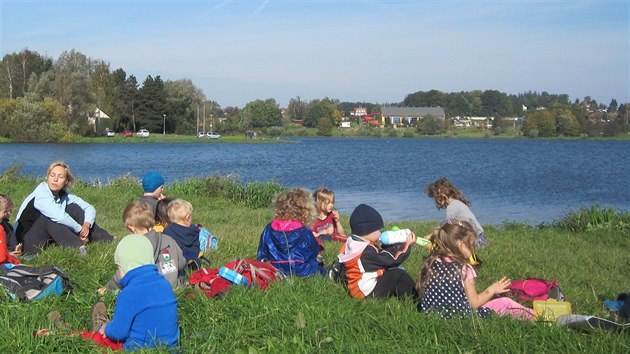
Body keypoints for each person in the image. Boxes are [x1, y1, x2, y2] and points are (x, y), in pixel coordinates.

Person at [416, 219, 534, 320]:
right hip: (460, 318)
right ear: (461, 244)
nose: (474, 248)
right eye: (472, 244)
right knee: (505, 303)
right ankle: (539, 317)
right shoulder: (464, 268)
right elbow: (474, 304)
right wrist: (492, 289)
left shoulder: (430, 262)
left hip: (430, 315)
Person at [81, 234, 179, 350]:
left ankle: (65, 333)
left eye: (118, 268)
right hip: (171, 348)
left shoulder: (128, 294)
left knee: (94, 338)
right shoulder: (165, 285)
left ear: (124, 267)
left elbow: (119, 333)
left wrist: (107, 329)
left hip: (138, 349)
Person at [14, 162, 113, 256]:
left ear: (66, 181)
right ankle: (78, 248)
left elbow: (89, 207)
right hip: (25, 242)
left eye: (60, 177)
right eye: (52, 175)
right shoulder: (41, 194)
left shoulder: (64, 195)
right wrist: (80, 230)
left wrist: (87, 224)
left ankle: (106, 239)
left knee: (73, 208)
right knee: (49, 218)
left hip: (46, 238)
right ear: (47, 177)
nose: (55, 179)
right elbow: (59, 217)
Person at [98, 201, 185, 294]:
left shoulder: (136, 247)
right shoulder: (169, 239)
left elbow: (122, 274)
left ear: (131, 228)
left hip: (151, 293)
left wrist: (108, 288)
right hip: (175, 289)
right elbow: (182, 263)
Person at [337, 204, 417, 300]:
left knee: (389, 272)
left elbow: (380, 256)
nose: (380, 233)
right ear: (367, 230)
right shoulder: (366, 251)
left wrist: (393, 246)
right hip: (367, 294)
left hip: (357, 289)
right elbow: (392, 260)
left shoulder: (353, 243)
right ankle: (416, 298)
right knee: (397, 274)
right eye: (378, 230)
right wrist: (407, 245)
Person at [256, 188, 323, 277]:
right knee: (318, 266)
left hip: (275, 269)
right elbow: (314, 252)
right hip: (301, 270)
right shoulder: (304, 231)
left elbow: (262, 253)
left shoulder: (269, 229)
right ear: (305, 211)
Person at [426, 177, 488, 248]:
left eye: (436, 197)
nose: (436, 201)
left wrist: (432, 236)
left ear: (442, 195)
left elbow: (446, 227)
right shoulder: (457, 203)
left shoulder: (452, 207)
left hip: (475, 240)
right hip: (480, 237)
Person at [163, 199, 202, 265]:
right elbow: (197, 246)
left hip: (174, 259)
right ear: (188, 217)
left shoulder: (167, 231)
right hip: (192, 256)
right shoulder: (194, 231)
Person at [0, 196, 20, 265]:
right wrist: (9, 255)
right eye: (5, 211)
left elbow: (13, 247)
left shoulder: (7, 227)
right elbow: (2, 257)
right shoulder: (2, 229)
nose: (8, 213)